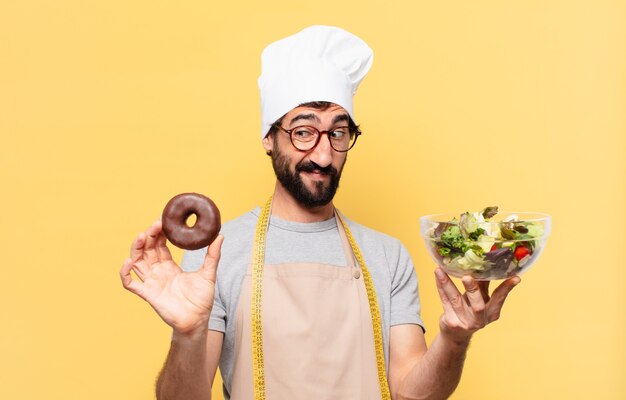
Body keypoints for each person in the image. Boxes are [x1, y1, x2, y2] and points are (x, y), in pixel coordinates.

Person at [120, 25, 520, 400]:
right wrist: (188, 334)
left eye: (338, 132)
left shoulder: (387, 256)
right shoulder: (216, 254)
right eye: (304, 132)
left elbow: (411, 393)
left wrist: (454, 337)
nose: (324, 154)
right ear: (268, 137)